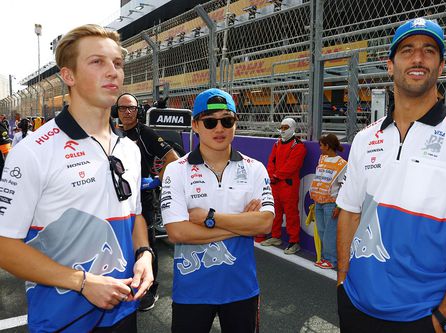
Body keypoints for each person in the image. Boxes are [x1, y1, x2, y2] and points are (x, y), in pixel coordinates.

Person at [336, 18, 446, 333]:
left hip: (422, 318)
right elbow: (349, 213)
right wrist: (342, 280)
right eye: (407, 50)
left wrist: (443, 318)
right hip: (354, 305)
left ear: (441, 67)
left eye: (429, 51)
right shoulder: (365, 138)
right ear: (390, 65)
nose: (418, 58)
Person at [0, 24, 154, 332]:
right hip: (61, 321)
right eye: (97, 62)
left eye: (117, 63)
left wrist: (145, 254)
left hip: (123, 312)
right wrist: (83, 283)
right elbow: (5, 246)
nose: (113, 71)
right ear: (68, 76)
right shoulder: (33, 151)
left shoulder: (129, 149)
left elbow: (134, 214)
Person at [161, 88, 274, 332]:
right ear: (195, 125)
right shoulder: (176, 170)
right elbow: (177, 232)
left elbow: (265, 224)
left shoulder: (255, 168)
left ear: (235, 122)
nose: (219, 128)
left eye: (227, 120)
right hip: (191, 292)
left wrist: (210, 218)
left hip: (241, 289)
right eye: (210, 122)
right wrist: (242, 225)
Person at [115, 92, 179, 311]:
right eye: (122, 108)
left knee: (147, 246)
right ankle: (128, 284)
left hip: (143, 200)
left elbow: (173, 159)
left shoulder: (146, 133)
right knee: (123, 243)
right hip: (118, 200)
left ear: (138, 111)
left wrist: (155, 181)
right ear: (116, 111)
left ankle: (150, 289)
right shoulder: (112, 134)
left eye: (131, 108)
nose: (127, 112)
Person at [261, 117, 306, 254]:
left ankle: (294, 241)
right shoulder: (276, 144)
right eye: (281, 127)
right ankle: (275, 236)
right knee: (275, 211)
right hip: (275, 184)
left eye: (286, 127)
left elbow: (292, 166)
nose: (282, 130)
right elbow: (271, 161)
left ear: (292, 128)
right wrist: (271, 176)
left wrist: (276, 176)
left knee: (291, 213)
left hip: (288, 185)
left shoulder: (298, 146)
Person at [309, 133, 347, 270]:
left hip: (331, 203)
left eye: (321, 145)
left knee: (330, 233)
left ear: (327, 146)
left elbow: (344, 186)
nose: (319, 148)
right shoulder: (322, 159)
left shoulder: (342, 164)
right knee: (322, 231)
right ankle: (326, 257)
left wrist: (338, 205)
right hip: (319, 201)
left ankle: (331, 259)